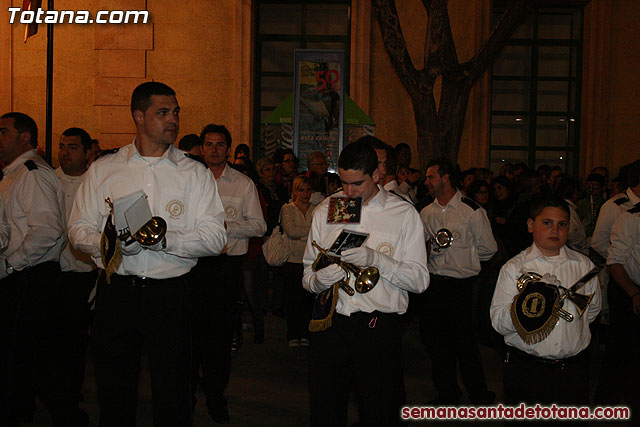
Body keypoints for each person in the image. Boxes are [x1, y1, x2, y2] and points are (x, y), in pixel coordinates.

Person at [68, 82, 227, 427]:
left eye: (176, 112)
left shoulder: (193, 172)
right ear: (139, 117)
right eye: (163, 112)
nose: (173, 120)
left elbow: (215, 237)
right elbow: (78, 227)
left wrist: (166, 241)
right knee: (113, 386)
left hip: (170, 294)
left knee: (173, 388)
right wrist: (109, 245)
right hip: (118, 291)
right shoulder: (105, 169)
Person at [302, 141, 428, 426]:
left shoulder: (402, 214)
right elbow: (307, 276)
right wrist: (319, 280)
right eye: (343, 183)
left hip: (377, 327)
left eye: (357, 183)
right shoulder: (330, 208)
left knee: (381, 410)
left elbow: (420, 280)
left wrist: (378, 260)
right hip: (332, 322)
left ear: (377, 175)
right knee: (325, 408)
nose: (349, 192)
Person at [490, 196, 601, 406]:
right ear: (531, 225)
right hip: (527, 370)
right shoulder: (514, 268)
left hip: (573, 371)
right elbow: (498, 323)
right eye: (547, 223)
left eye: (563, 224)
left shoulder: (584, 267)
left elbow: (592, 312)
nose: (555, 230)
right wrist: (530, 305)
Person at [196, 123, 266, 424]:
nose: (214, 149)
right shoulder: (189, 180)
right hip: (192, 265)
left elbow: (259, 226)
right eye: (208, 144)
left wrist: (227, 228)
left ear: (228, 148)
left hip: (226, 267)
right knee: (189, 333)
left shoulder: (243, 184)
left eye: (220, 144)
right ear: (201, 148)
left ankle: (215, 396)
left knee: (220, 337)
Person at [0, 112, 66, 426]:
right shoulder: (12, 174)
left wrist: (11, 266)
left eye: (3, 131)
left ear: (25, 137)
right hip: (20, 275)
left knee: (27, 356)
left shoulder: (33, 173)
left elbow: (47, 231)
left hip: (31, 276)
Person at [419, 157, 497, 405]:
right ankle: (447, 392)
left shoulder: (471, 211)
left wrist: (466, 261)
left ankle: (478, 393)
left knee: (465, 344)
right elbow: (419, 247)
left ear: (445, 177)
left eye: (431, 176)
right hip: (434, 284)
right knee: (438, 343)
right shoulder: (426, 212)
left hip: (461, 286)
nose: (426, 181)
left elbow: (488, 249)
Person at [54, 127, 98, 425]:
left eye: (72, 147)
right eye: (61, 146)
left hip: (82, 275)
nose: (65, 152)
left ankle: (70, 391)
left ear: (86, 152)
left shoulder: (94, 183)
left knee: (74, 342)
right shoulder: (49, 179)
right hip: (52, 272)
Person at [607, 201, 640, 422]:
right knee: (628, 357)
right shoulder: (631, 219)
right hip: (631, 291)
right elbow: (615, 262)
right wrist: (633, 293)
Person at [280, 175, 316, 347]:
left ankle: (307, 334)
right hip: (293, 260)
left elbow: (320, 233)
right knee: (293, 301)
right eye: (301, 189)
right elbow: (291, 230)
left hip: (310, 260)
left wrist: (306, 233)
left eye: (308, 190)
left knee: (308, 301)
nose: (305, 194)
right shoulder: (287, 209)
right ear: (295, 191)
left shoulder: (316, 209)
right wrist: (312, 231)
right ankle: (293, 334)